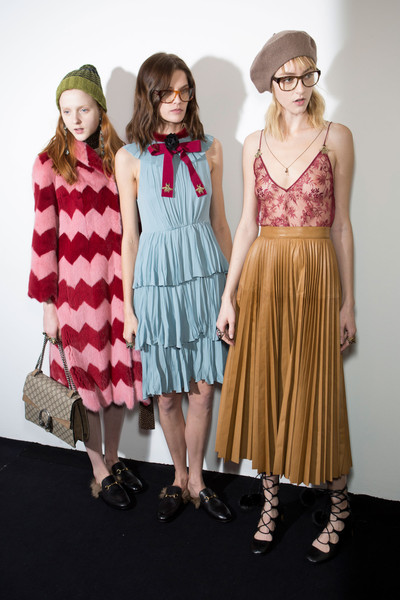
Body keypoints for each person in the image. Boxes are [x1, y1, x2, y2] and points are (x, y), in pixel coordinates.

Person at [215, 31, 355, 562]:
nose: (299, 88)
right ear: (270, 85)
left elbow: (341, 226)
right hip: (264, 275)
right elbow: (247, 225)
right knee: (265, 384)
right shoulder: (253, 143)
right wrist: (228, 297)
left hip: (316, 276)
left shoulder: (337, 137)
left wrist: (348, 302)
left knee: (318, 388)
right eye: (287, 79)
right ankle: (271, 504)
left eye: (307, 75)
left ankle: (339, 505)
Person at [116, 53, 233, 522]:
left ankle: (198, 481)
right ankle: (178, 477)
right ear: (149, 96)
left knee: (203, 389)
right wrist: (128, 308)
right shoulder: (129, 157)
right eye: (166, 92)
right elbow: (130, 237)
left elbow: (221, 224)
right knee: (166, 394)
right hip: (158, 281)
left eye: (185, 91)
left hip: (205, 275)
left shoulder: (212, 148)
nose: (177, 100)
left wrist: (233, 290)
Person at [28, 64, 144, 510]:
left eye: (84, 109)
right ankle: (98, 468)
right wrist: (47, 304)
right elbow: (43, 237)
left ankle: (114, 458)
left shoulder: (121, 156)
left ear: (100, 109)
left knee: (117, 375)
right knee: (88, 383)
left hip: (119, 286)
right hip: (76, 295)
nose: (75, 119)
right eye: (67, 111)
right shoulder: (49, 163)